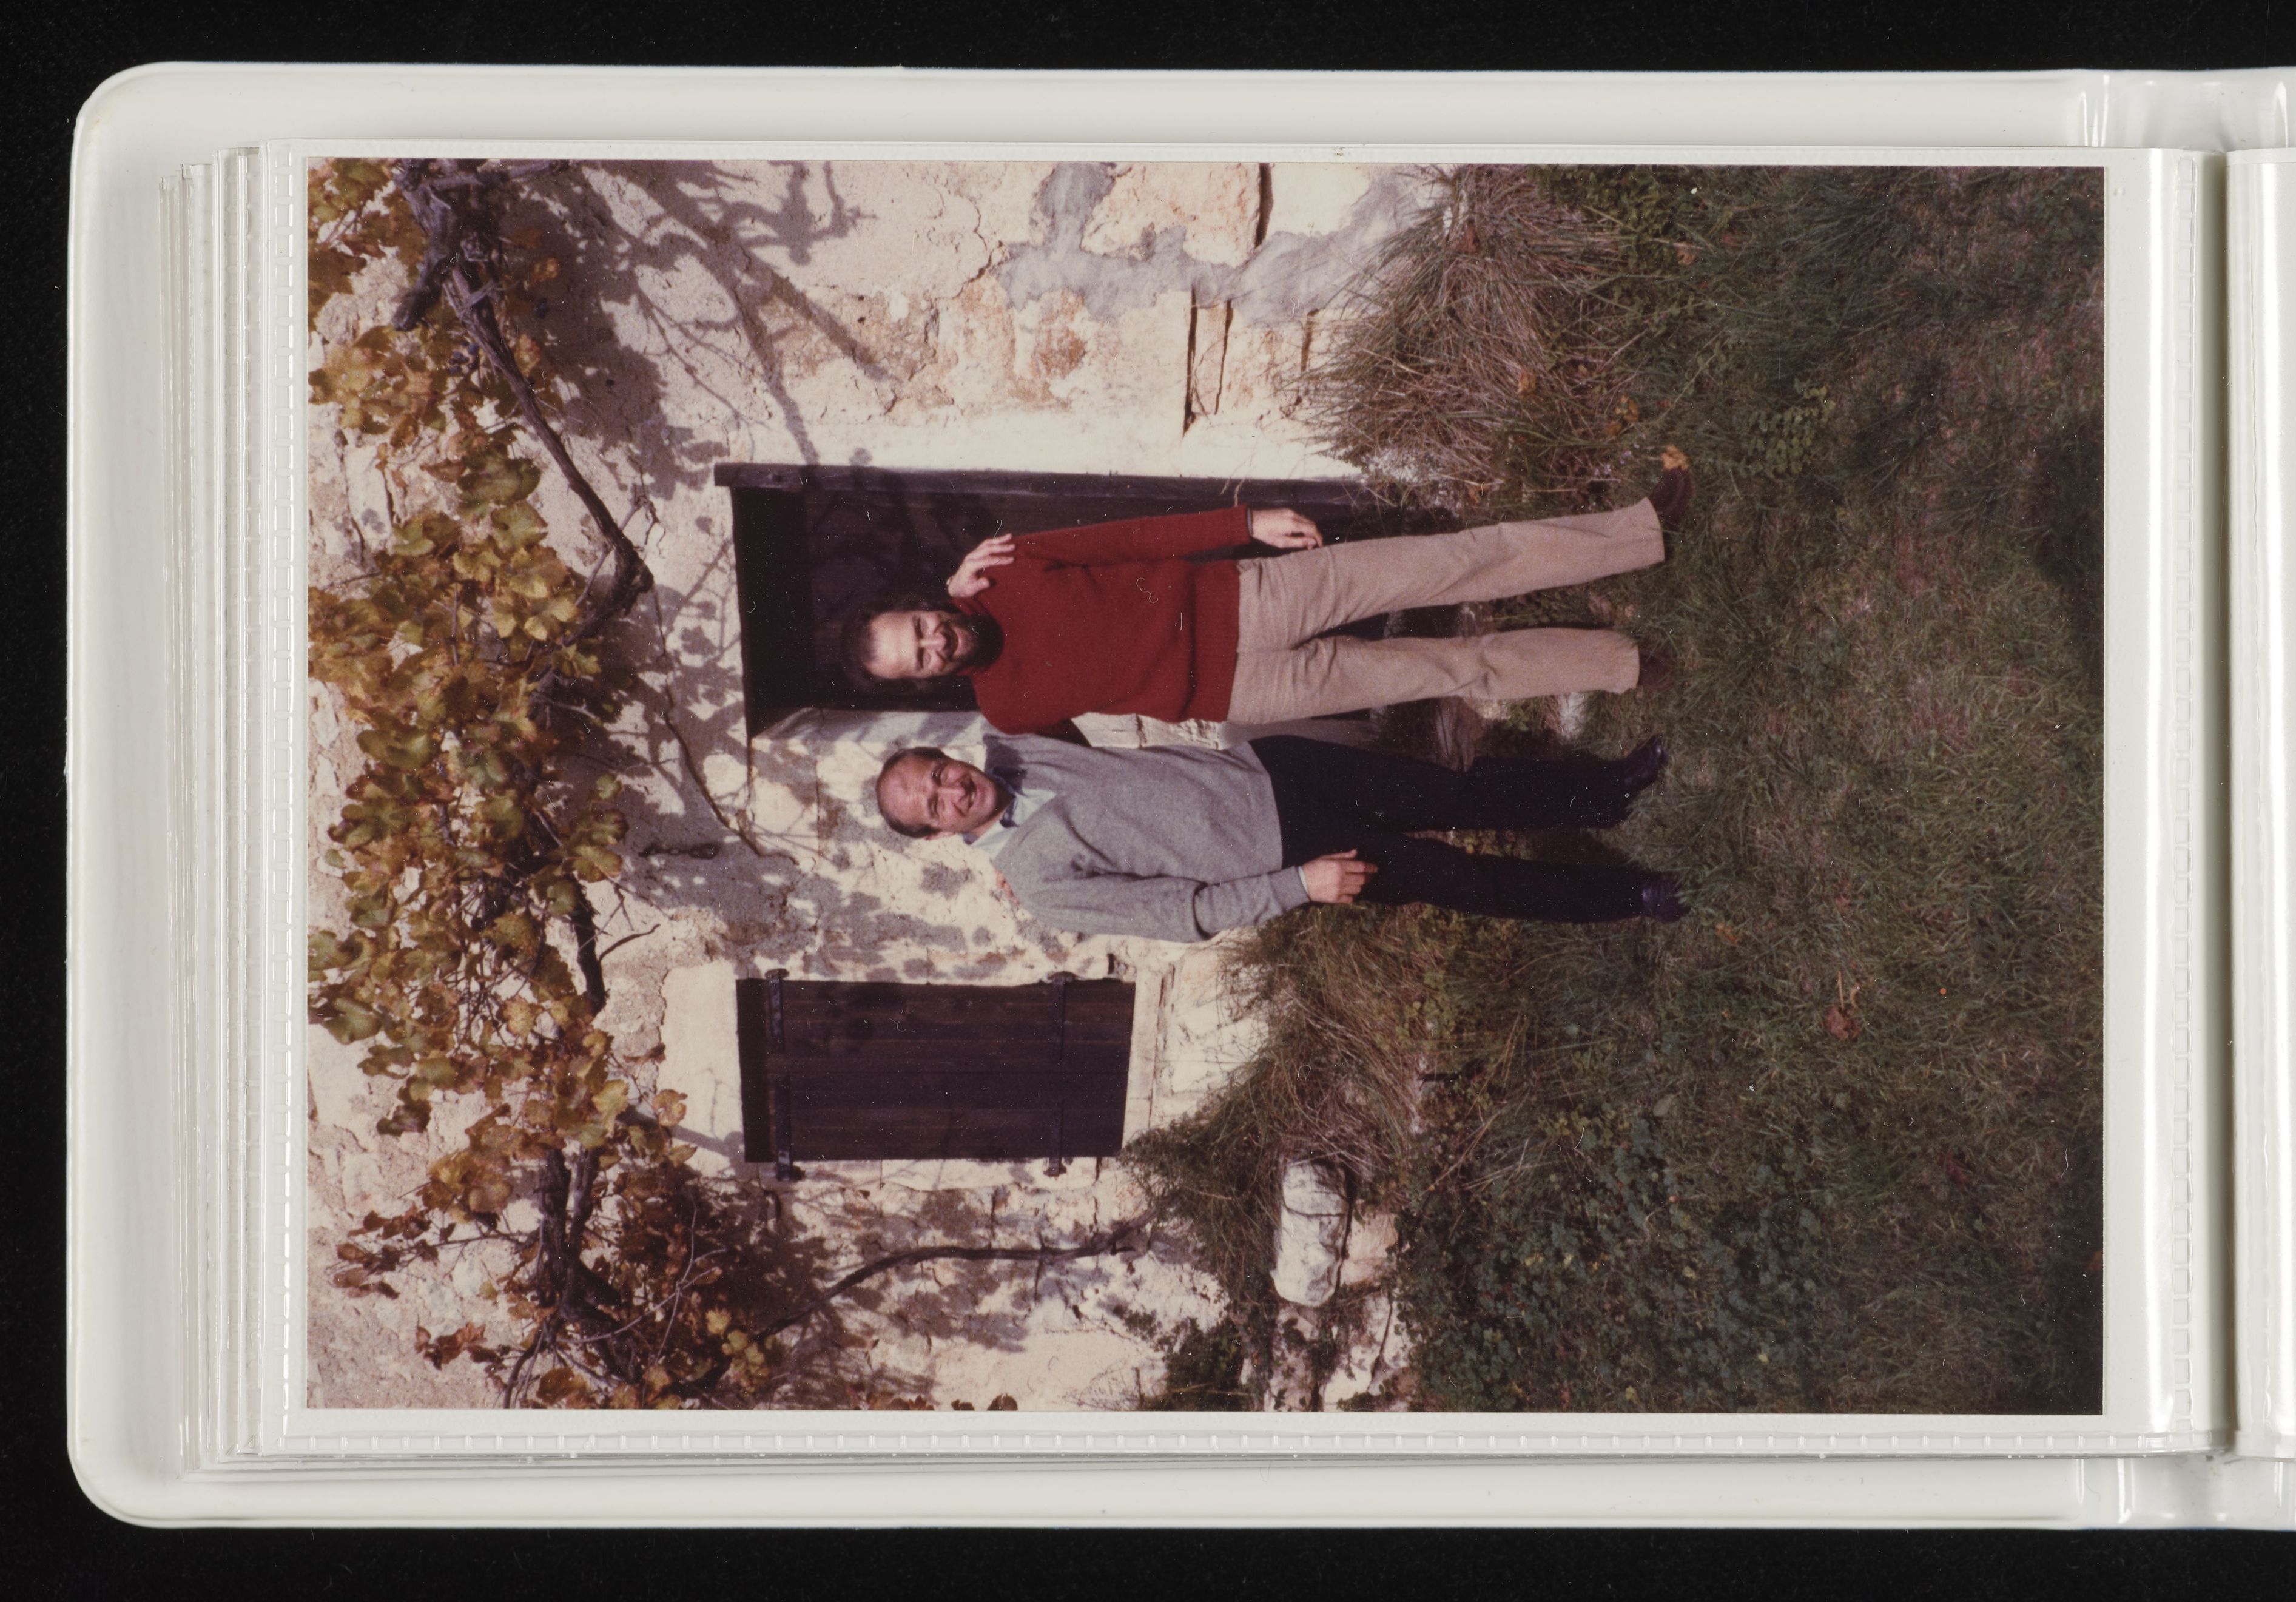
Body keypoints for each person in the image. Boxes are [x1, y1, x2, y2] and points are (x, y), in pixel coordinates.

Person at [841, 451, 1695, 736]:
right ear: (922, 681)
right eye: (920, 659)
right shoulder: (1005, 711)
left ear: (923, 605)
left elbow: (1130, 539)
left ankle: (1637, 533)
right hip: (1245, 691)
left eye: (920, 626)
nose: (935, 643)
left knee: (1453, 560)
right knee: (1447, 669)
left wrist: (1245, 521)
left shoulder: (1004, 564)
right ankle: (1623, 665)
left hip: (1251, 598)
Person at [870, 732, 1685, 944]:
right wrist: (1299, 886)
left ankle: (1605, 792)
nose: (951, 791)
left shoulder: (1014, 750)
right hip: (1292, 854)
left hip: (1276, 768)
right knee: (1463, 879)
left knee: (1457, 789)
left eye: (938, 773)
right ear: (938, 836)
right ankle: (1632, 895)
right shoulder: (1040, 886)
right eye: (933, 807)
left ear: (948, 756)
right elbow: (1182, 914)